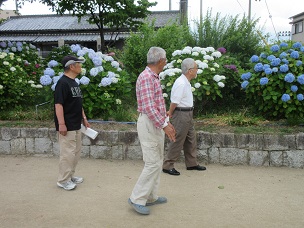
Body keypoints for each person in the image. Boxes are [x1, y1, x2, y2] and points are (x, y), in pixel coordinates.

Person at [128, 47, 176, 215]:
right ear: (161, 60)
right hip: (149, 122)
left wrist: (165, 122)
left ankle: (151, 196)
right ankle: (137, 198)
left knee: (158, 160)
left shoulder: (153, 76)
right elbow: (149, 107)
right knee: (152, 162)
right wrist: (165, 125)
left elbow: (154, 105)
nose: (167, 61)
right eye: (166, 59)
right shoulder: (148, 77)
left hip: (154, 122)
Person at [162, 58, 206, 176]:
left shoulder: (185, 81)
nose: (197, 70)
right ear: (190, 70)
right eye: (196, 68)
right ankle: (168, 165)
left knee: (191, 139)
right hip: (181, 114)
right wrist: (170, 113)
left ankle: (192, 163)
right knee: (177, 139)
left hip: (187, 113)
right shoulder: (181, 83)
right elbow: (174, 101)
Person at [54, 55, 90, 191]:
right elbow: (59, 105)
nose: (80, 66)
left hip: (76, 124)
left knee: (75, 152)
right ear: (71, 66)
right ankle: (63, 180)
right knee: (67, 153)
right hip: (67, 125)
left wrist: (84, 118)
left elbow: (78, 103)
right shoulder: (62, 83)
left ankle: (70, 176)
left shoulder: (74, 82)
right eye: (78, 64)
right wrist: (61, 124)